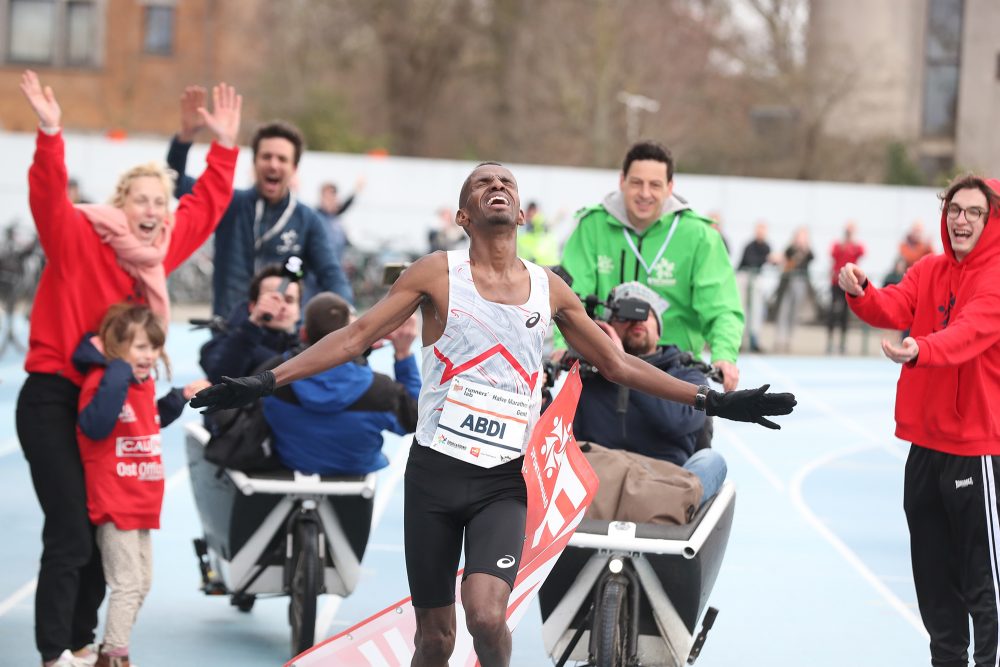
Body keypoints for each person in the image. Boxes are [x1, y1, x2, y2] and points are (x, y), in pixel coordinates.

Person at [190, 161, 795, 667]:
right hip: (433, 476)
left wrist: (713, 400)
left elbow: (618, 364)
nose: (496, 186)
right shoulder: (436, 273)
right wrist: (266, 381)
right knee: (435, 638)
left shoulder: (548, 291)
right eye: (481, 184)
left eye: (505, 181)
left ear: (522, 213)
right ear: (463, 216)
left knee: (484, 615)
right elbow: (356, 338)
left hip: (504, 480)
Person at [14, 70, 241, 667]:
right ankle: (53, 650)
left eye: (160, 202)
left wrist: (223, 146)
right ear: (120, 205)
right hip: (55, 396)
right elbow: (46, 194)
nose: (152, 209)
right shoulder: (78, 237)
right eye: (140, 199)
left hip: (111, 406)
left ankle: (83, 641)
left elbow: (209, 204)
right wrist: (50, 130)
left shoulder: (160, 250)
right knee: (68, 527)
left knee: (99, 525)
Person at [839, 174, 1000, 667]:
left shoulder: (996, 278)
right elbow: (894, 303)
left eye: (974, 212)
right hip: (925, 447)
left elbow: (970, 332)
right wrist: (863, 291)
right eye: (954, 210)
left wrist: (921, 349)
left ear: (992, 221)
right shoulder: (929, 268)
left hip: (975, 448)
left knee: (983, 585)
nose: (961, 220)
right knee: (933, 580)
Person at [72, 305, 209, 667]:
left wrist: (178, 398)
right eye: (140, 347)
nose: (149, 356)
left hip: (142, 501)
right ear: (117, 350)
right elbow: (96, 425)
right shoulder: (105, 382)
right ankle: (115, 656)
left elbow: (148, 419)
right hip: (115, 501)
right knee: (127, 584)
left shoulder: (142, 384)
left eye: (153, 347)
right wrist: (117, 368)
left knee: (142, 583)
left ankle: (110, 650)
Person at [557, 140, 744, 391]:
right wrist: (562, 345)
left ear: (670, 187)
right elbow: (567, 298)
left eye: (655, 184)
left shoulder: (699, 236)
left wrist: (724, 355)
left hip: (676, 375)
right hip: (604, 369)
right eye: (636, 182)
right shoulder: (591, 227)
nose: (645, 193)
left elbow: (722, 307)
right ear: (622, 181)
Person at [167, 86, 352, 318]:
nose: (273, 165)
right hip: (230, 333)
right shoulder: (230, 204)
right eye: (266, 157)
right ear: (254, 163)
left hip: (283, 338)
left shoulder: (307, 220)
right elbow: (174, 183)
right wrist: (185, 138)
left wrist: (348, 313)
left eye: (282, 159)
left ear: (293, 168)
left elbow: (331, 274)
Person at [572, 282, 726, 504]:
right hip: (600, 483)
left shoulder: (687, 375)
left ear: (659, 329)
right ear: (608, 327)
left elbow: (675, 422)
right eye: (625, 315)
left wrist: (623, 365)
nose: (637, 320)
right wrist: (540, 390)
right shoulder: (588, 377)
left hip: (664, 484)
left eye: (645, 313)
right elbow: (559, 437)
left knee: (712, 461)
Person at [263, 293, 420, 475]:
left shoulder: (274, 374)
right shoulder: (382, 390)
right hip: (356, 478)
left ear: (303, 333)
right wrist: (404, 355)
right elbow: (415, 419)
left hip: (290, 469)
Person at [199, 263, 302, 384]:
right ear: (253, 306)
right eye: (273, 298)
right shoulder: (223, 343)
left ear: (299, 309)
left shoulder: (305, 347)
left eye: (289, 300)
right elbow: (219, 379)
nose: (282, 306)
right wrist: (253, 323)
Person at [773, 226, 814, 353]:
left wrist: (805, 248)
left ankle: (789, 339)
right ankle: (780, 338)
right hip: (788, 282)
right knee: (784, 310)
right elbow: (785, 260)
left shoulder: (807, 252)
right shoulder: (790, 249)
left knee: (794, 312)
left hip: (800, 283)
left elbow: (812, 258)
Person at [736, 221, 775, 353]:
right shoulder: (749, 246)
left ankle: (754, 339)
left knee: (757, 310)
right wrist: (767, 259)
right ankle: (739, 340)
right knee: (742, 309)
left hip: (756, 280)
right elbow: (751, 261)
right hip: (744, 278)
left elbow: (770, 262)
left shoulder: (766, 246)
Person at [826, 221, 865, 354]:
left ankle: (842, 342)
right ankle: (830, 341)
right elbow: (833, 254)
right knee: (833, 311)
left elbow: (862, 252)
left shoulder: (855, 246)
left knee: (844, 314)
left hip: (849, 284)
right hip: (836, 283)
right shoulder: (838, 245)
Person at [316, 179, 364, 263]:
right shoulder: (316, 218)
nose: (330, 200)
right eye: (327, 197)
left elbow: (345, 206)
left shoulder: (335, 219)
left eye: (332, 196)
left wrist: (356, 190)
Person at [516, 201, 559, 266]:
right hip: (531, 269)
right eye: (529, 212)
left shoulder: (545, 229)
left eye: (534, 212)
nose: (531, 215)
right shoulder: (521, 233)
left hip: (549, 268)